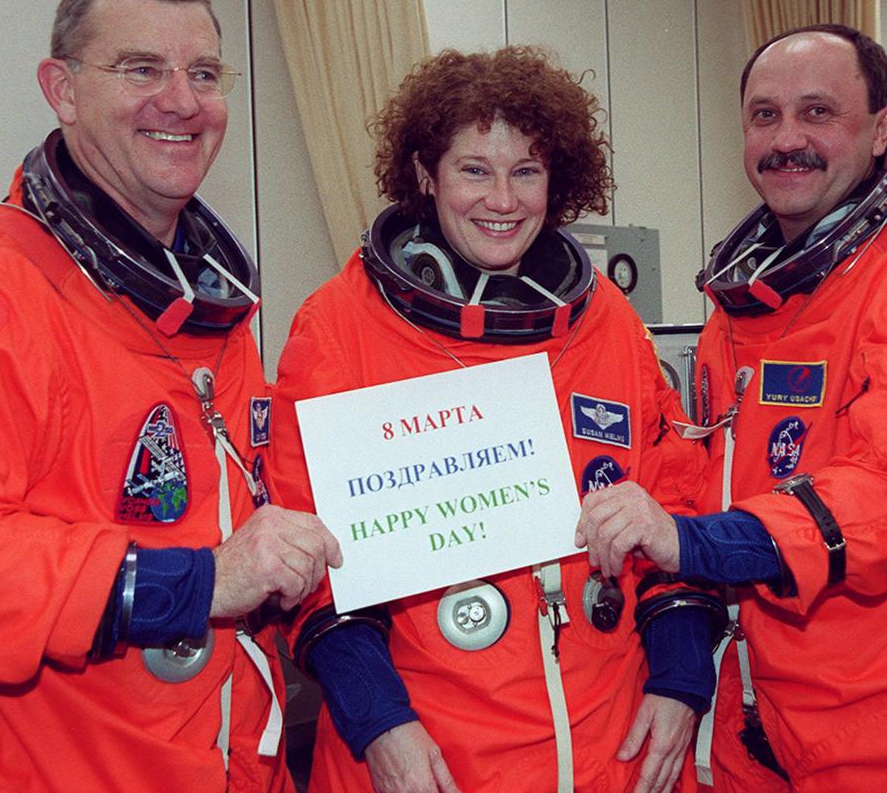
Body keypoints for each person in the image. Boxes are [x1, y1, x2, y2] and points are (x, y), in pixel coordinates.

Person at [0, 0, 340, 791]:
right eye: (141, 68)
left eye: (203, 73)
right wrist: (203, 581)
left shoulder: (208, 305)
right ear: (62, 90)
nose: (180, 100)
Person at [576, 24, 887, 791]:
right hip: (762, 718)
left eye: (818, 113)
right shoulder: (744, 302)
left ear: (881, 128)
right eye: (765, 116)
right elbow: (701, 470)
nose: (787, 139)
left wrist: (697, 544)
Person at [269, 46, 719, 793]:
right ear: (425, 174)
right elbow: (308, 561)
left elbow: (675, 497)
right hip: (425, 758)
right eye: (474, 169)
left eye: (527, 171)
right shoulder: (338, 327)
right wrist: (378, 724)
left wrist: (680, 679)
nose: (502, 199)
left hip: (610, 745)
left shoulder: (606, 319)